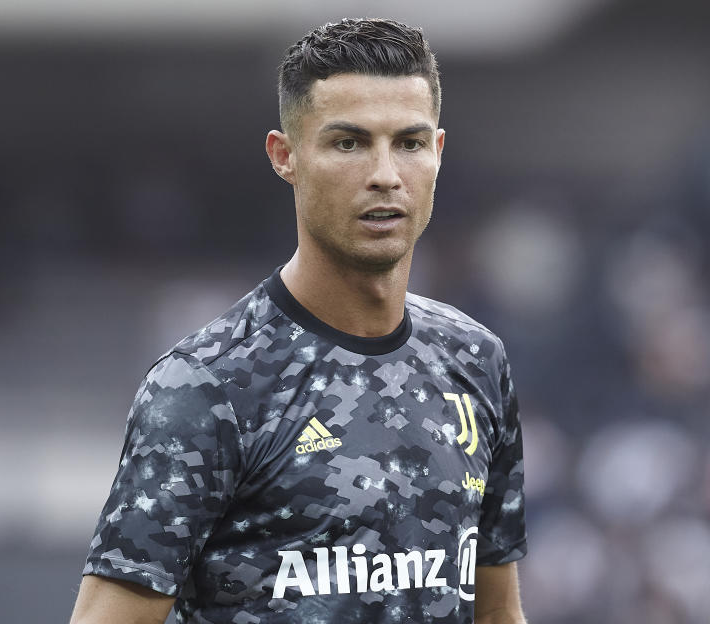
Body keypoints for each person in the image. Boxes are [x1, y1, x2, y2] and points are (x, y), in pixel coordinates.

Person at [70, 17, 526, 624]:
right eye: (349, 143)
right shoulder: (209, 386)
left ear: (437, 153)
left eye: (409, 143)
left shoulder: (476, 362)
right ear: (285, 156)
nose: (385, 174)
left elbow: (497, 613)